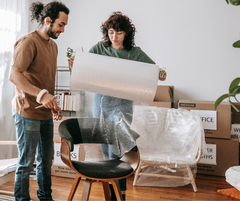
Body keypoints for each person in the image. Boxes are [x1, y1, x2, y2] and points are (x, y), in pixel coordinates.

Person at [89, 11, 155, 201]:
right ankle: (110, 194)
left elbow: (152, 70)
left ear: (126, 34)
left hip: (122, 106)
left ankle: (121, 194)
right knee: (104, 148)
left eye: (118, 33)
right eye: (111, 32)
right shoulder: (100, 48)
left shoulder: (134, 53)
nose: (114, 37)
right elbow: (84, 66)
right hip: (100, 103)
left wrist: (159, 74)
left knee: (117, 150)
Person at [8, 1, 69, 200]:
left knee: (46, 160)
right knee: (26, 163)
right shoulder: (28, 42)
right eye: (61, 24)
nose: (63, 29)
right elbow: (14, 75)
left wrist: (53, 104)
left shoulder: (53, 46)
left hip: (44, 113)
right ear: (48, 20)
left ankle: (45, 197)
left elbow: (44, 79)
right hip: (27, 112)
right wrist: (41, 94)